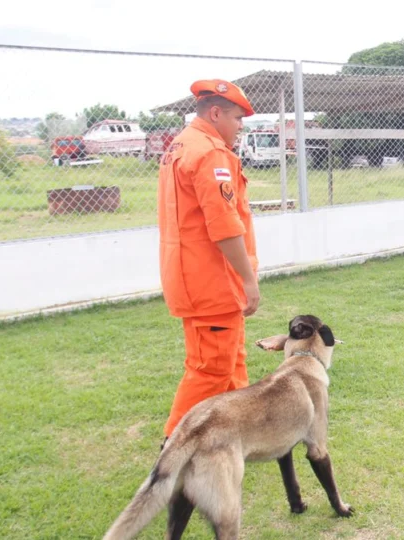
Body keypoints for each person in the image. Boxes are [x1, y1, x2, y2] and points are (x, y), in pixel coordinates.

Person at [157, 79, 260, 442]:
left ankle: (235, 432)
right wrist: (249, 280)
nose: (240, 127)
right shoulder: (209, 153)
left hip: (194, 275)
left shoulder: (182, 145)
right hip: (212, 281)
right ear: (215, 113)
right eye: (236, 118)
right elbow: (224, 226)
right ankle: (174, 445)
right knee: (210, 368)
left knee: (232, 360)